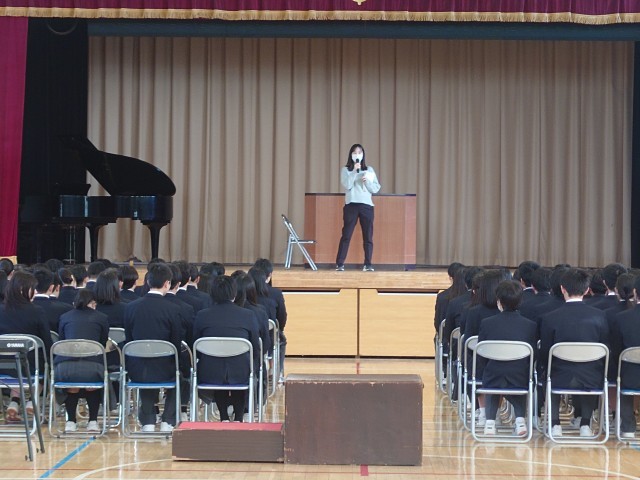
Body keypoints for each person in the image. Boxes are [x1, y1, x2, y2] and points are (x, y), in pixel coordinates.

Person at [538, 268, 609, 437]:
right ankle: (585, 424)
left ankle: (555, 424)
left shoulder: (550, 317)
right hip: (592, 378)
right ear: (587, 290)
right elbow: (605, 348)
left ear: (562, 288)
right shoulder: (600, 316)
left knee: (548, 374)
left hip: (559, 377)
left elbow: (545, 352)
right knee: (593, 368)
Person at [124, 262, 183, 433]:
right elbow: (175, 343)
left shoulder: (130, 307)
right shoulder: (173, 309)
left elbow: (129, 340)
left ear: (148, 282)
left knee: (145, 364)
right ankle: (168, 420)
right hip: (165, 368)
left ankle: (148, 420)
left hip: (137, 369)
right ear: (167, 284)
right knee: (179, 373)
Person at [192, 276, 260, 422]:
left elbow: (195, 346)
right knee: (241, 365)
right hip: (241, 372)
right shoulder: (248, 315)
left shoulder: (202, 315)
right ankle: (239, 418)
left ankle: (223, 416)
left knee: (217, 364)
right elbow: (255, 346)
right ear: (234, 294)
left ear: (212, 294)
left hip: (209, 373)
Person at [478, 280, 538, 436]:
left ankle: (490, 423)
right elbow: (533, 355)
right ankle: (520, 420)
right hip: (519, 375)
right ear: (520, 301)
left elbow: (480, 353)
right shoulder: (530, 325)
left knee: (493, 376)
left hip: (493, 374)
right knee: (520, 376)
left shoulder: (487, 323)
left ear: (499, 301)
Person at [0, 270, 52, 422]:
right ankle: (32, 401)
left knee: (18, 366)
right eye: (32, 288)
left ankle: (14, 402)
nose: (35, 292)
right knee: (45, 365)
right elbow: (46, 341)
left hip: (3, 367)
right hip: (31, 366)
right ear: (23, 289)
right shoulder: (37, 311)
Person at [55, 289, 109, 433]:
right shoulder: (101, 317)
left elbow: (62, 342)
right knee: (92, 384)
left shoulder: (65, 317)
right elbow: (102, 344)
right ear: (93, 303)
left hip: (66, 367)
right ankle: (93, 421)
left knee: (72, 386)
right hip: (92, 366)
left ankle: (70, 422)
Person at [335, 143, 381, 272]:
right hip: (351, 205)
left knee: (368, 236)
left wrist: (368, 182)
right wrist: (355, 171)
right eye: (355, 153)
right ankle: (340, 263)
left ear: (363, 155)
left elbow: (375, 188)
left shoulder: (369, 170)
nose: (357, 155)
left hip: (367, 206)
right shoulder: (346, 170)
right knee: (346, 235)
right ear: (351, 155)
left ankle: (368, 264)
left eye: (359, 152)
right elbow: (347, 185)